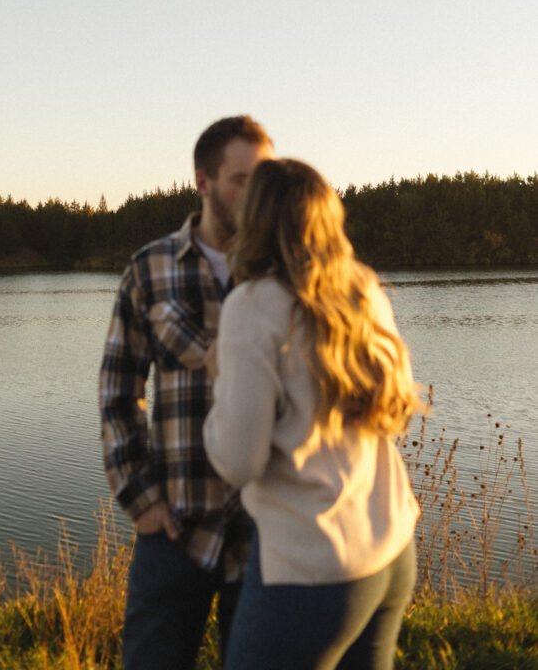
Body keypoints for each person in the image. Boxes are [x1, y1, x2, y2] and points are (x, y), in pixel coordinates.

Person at [203, 159, 422, 670]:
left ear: (254, 221)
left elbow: (239, 463)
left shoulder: (253, 305)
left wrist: (218, 385)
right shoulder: (362, 289)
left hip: (314, 571)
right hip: (391, 549)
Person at [99, 115, 275, 670]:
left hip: (267, 530)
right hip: (175, 527)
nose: (254, 194)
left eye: (263, 179)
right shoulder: (149, 269)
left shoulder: (284, 272)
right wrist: (139, 497)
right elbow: (119, 390)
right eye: (241, 179)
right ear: (202, 181)